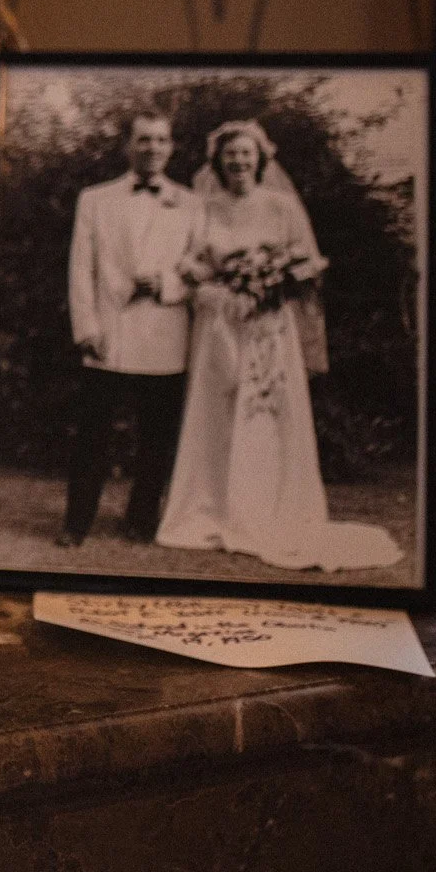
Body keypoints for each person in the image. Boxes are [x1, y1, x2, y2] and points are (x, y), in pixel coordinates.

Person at [155, 120, 401, 570]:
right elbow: (190, 262)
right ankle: (213, 508)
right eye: (231, 154)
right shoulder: (202, 207)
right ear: (218, 160)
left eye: (247, 153)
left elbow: (308, 264)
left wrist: (270, 284)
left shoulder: (282, 206)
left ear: (262, 158)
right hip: (218, 325)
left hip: (269, 326)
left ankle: (270, 510)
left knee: (266, 413)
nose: (239, 161)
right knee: (217, 411)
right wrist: (214, 286)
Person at [60, 110, 202, 548]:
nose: (152, 148)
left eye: (161, 140)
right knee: (93, 435)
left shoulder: (191, 203)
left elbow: (199, 269)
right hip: (110, 334)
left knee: (157, 437)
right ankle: (76, 522)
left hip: (164, 332)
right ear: (128, 146)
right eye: (144, 140)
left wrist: (167, 285)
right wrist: (86, 327)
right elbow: (81, 269)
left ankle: (140, 519)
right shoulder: (95, 199)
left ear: (171, 147)